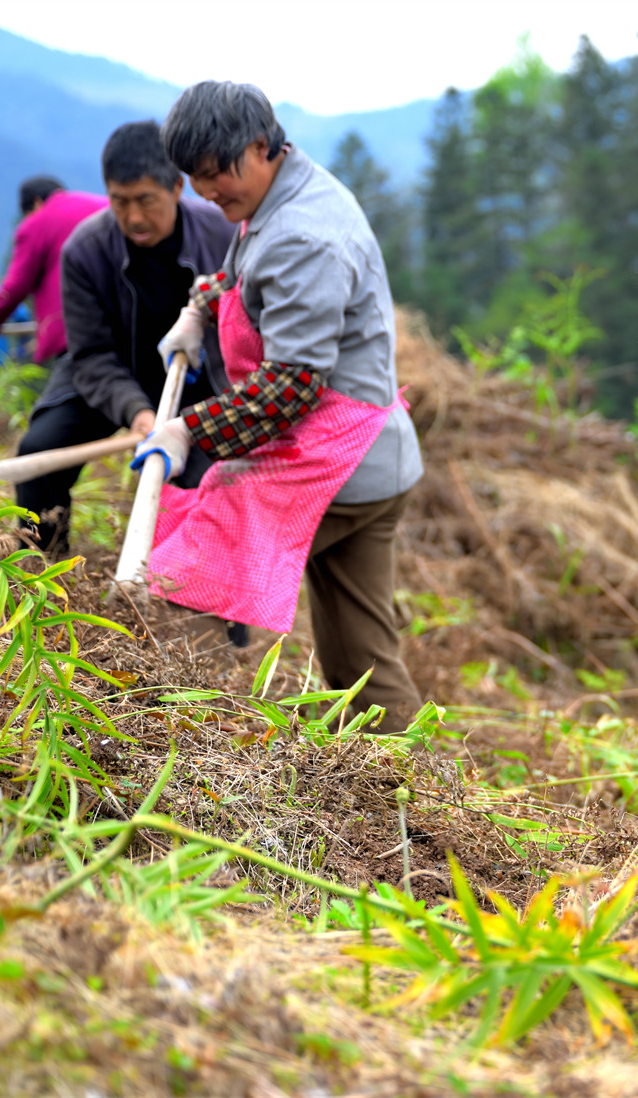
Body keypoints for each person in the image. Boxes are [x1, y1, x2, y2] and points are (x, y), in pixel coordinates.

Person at [133, 81, 424, 727]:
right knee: (361, 660)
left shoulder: (303, 235)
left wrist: (188, 430)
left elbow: (291, 385)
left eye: (217, 173)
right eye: (195, 176)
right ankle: (402, 772)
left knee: (190, 574)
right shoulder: (280, 193)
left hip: (339, 457)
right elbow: (243, 278)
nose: (207, 191)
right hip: (372, 453)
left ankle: (196, 732)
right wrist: (201, 308)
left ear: (261, 146)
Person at [12, 122, 234, 558]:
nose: (133, 217)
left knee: (204, 481)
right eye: (119, 201)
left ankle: (195, 594)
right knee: (37, 452)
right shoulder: (86, 249)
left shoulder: (221, 235)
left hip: (195, 379)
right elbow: (91, 354)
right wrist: (137, 411)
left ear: (177, 187)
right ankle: (41, 571)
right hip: (106, 376)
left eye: (145, 200)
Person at [0, 176, 106, 365]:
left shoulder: (37, 222)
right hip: (128, 322)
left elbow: (16, 285)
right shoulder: (105, 205)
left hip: (77, 331)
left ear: (37, 202)